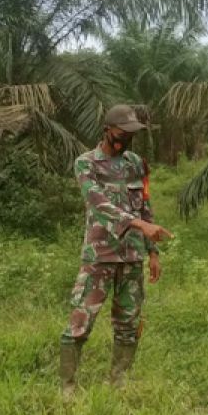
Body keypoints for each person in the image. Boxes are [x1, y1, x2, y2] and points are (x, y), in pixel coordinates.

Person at [59, 104, 173, 396]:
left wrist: (152, 251)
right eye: (123, 134)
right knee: (81, 321)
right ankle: (67, 387)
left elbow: (144, 205)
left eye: (133, 134)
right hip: (99, 257)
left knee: (128, 323)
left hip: (132, 256)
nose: (128, 139)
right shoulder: (86, 163)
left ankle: (118, 381)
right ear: (107, 130)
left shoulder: (136, 163)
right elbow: (99, 205)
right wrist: (139, 225)